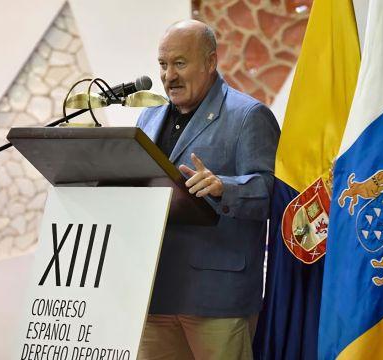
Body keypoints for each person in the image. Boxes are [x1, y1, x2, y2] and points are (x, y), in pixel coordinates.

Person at [136, 19, 280, 359]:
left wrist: (224, 187)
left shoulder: (248, 115)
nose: (169, 75)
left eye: (180, 63)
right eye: (163, 64)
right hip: (154, 295)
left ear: (210, 62)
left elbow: (272, 191)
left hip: (217, 300)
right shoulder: (147, 118)